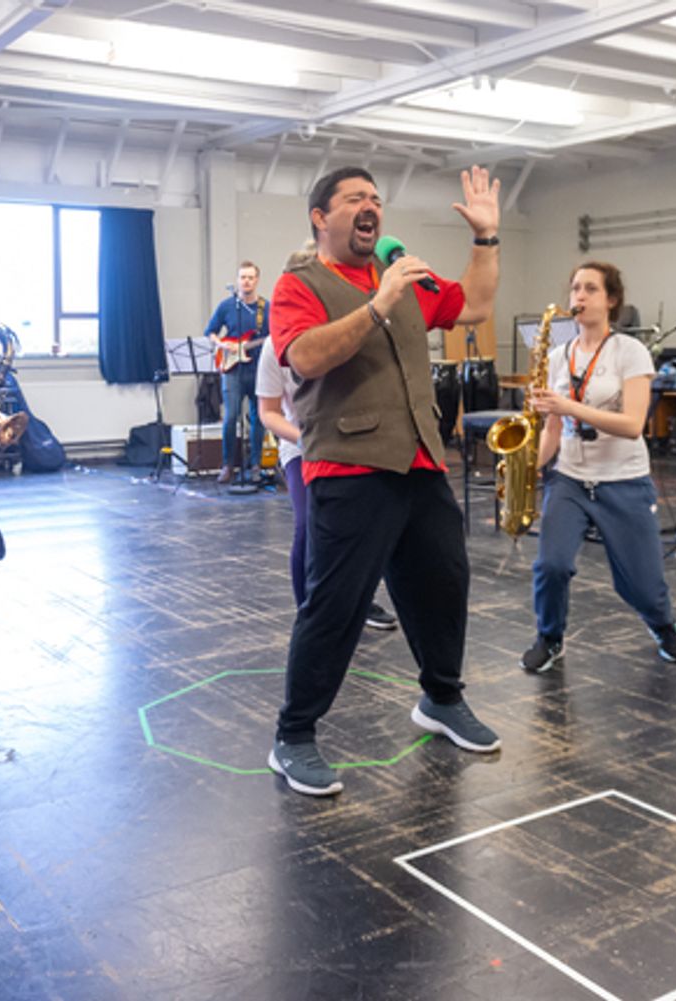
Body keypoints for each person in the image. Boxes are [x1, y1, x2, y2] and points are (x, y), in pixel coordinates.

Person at [266, 165, 502, 798]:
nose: (371, 207)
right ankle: (293, 737)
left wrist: (485, 240)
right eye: (354, 199)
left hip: (421, 462)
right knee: (336, 606)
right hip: (347, 466)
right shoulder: (299, 284)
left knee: (443, 584)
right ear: (321, 217)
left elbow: (476, 306)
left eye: (376, 199)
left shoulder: (402, 276)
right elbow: (306, 357)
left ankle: (442, 700)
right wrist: (377, 306)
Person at [521, 261, 676, 675]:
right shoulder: (557, 356)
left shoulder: (629, 352)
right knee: (551, 566)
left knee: (641, 585)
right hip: (570, 479)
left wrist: (568, 406)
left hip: (624, 480)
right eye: (575, 288)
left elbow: (633, 425)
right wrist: (525, 469)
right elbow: (552, 430)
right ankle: (550, 636)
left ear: (611, 300)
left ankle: (662, 625)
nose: (578, 296)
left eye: (590, 289)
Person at [256, 322, 397, 631]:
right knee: (308, 524)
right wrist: (303, 439)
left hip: (353, 444)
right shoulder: (273, 347)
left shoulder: (345, 336)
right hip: (301, 448)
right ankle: (308, 611)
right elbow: (268, 413)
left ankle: (360, 602)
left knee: (364, 526)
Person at [204, 261, 270, 484]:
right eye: (243, 277)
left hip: (258, 368)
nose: (246, 281)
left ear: (257, 280)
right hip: (232, 369)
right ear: (237, 280)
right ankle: (227, 465)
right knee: (230, 416)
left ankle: (255, 465)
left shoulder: (265, 308)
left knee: (258, 418)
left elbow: (273, 336)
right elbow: (210, 332)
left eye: (251, 277)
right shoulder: (227, 306)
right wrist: (222, 345)